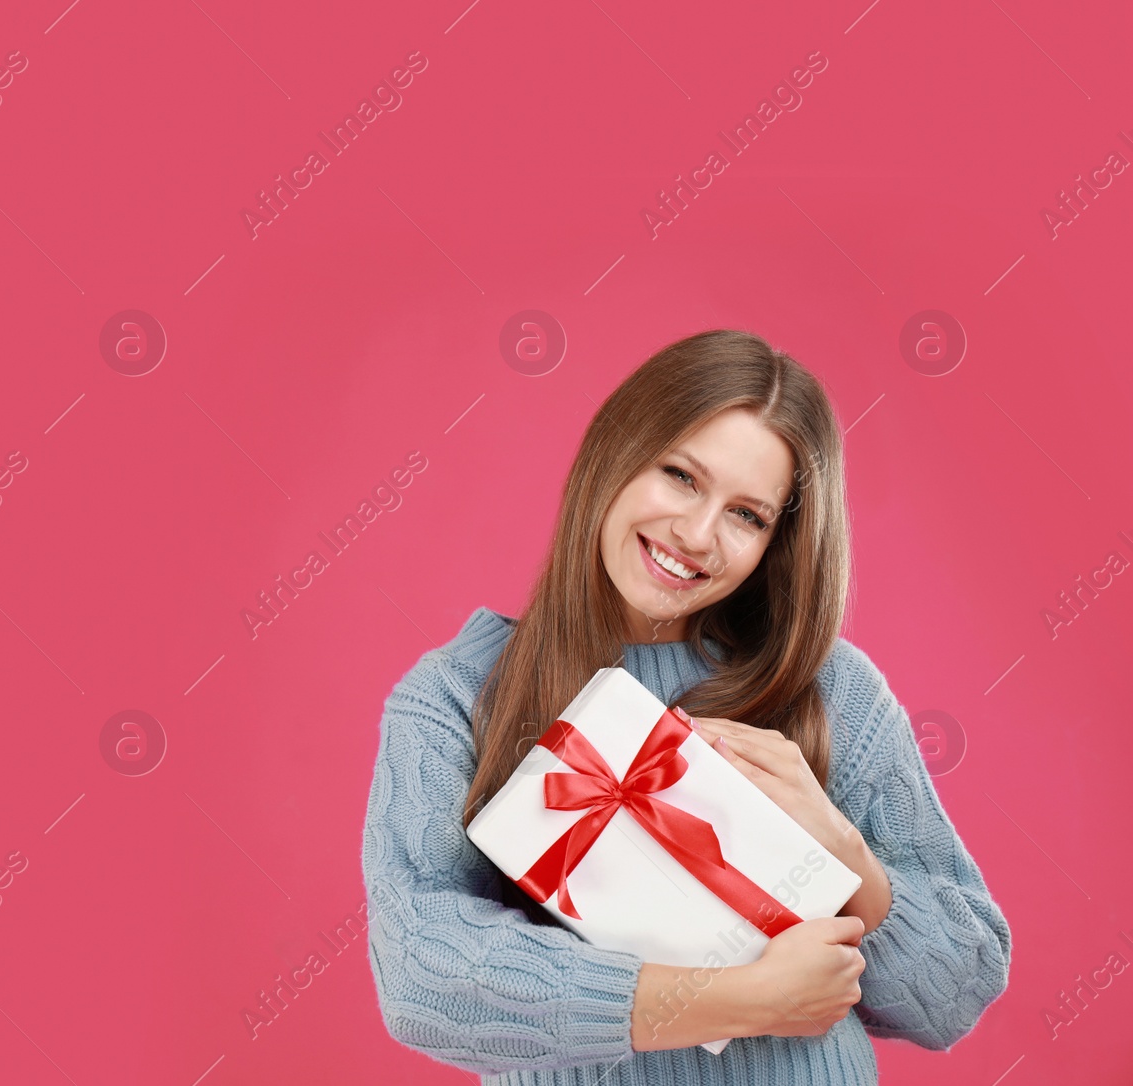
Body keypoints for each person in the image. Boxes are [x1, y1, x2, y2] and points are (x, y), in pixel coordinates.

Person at [360, 329, 1011, 1084]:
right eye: (680, 476)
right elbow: (421, 973)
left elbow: (960, 991)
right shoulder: (455, 698)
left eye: (748, 515)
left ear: (778, 543)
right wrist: (741, 1001)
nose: (697, 535)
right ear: (615, 454)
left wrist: (843, 851)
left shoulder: (831, 690)